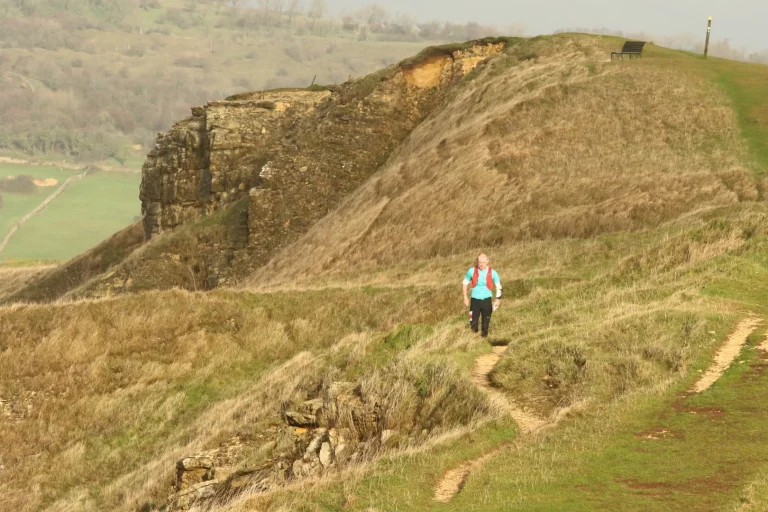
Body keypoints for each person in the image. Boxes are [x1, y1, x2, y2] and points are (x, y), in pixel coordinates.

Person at [462, 253, 502, 338]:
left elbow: (499, 287)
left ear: (487, 262)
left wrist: (498, 299)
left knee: (485, 324)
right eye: (480, 262)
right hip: (474, 300)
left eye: (483, 262)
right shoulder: (471, 271)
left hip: (486, 300)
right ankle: (473, 340)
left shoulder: (493, 272)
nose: (481, 264)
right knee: (472, 322)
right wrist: (465, 297)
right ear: (477, 262)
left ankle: (484, 340)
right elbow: (464, 283)